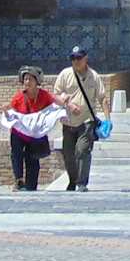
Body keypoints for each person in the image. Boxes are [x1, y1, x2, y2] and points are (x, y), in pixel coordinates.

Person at [52, 44, 107, 192]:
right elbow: (55, 95)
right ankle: (73, 180)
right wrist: (69, 105)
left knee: (82, 150)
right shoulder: (65, 74)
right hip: (68, 122)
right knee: (68, 154)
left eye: (79, 58)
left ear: (85, 58)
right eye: (73, 58)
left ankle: (82, 183)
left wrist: (108, 120)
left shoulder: (94, 76)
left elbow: (102, 98)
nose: (76, 61)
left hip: (86, 121)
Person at [1, 66, 61, 191]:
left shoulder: (44, 95)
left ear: (36, 81)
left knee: (32, 158)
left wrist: (67, 105)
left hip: (34, 134)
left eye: (30, 79)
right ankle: (19, 180)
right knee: (16, 154)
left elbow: (55, 102)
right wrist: (6, 111)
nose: (27, 82)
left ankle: (31, 186)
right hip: (19, 133)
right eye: (25, 79)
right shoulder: (18, 97)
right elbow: (11, 113)